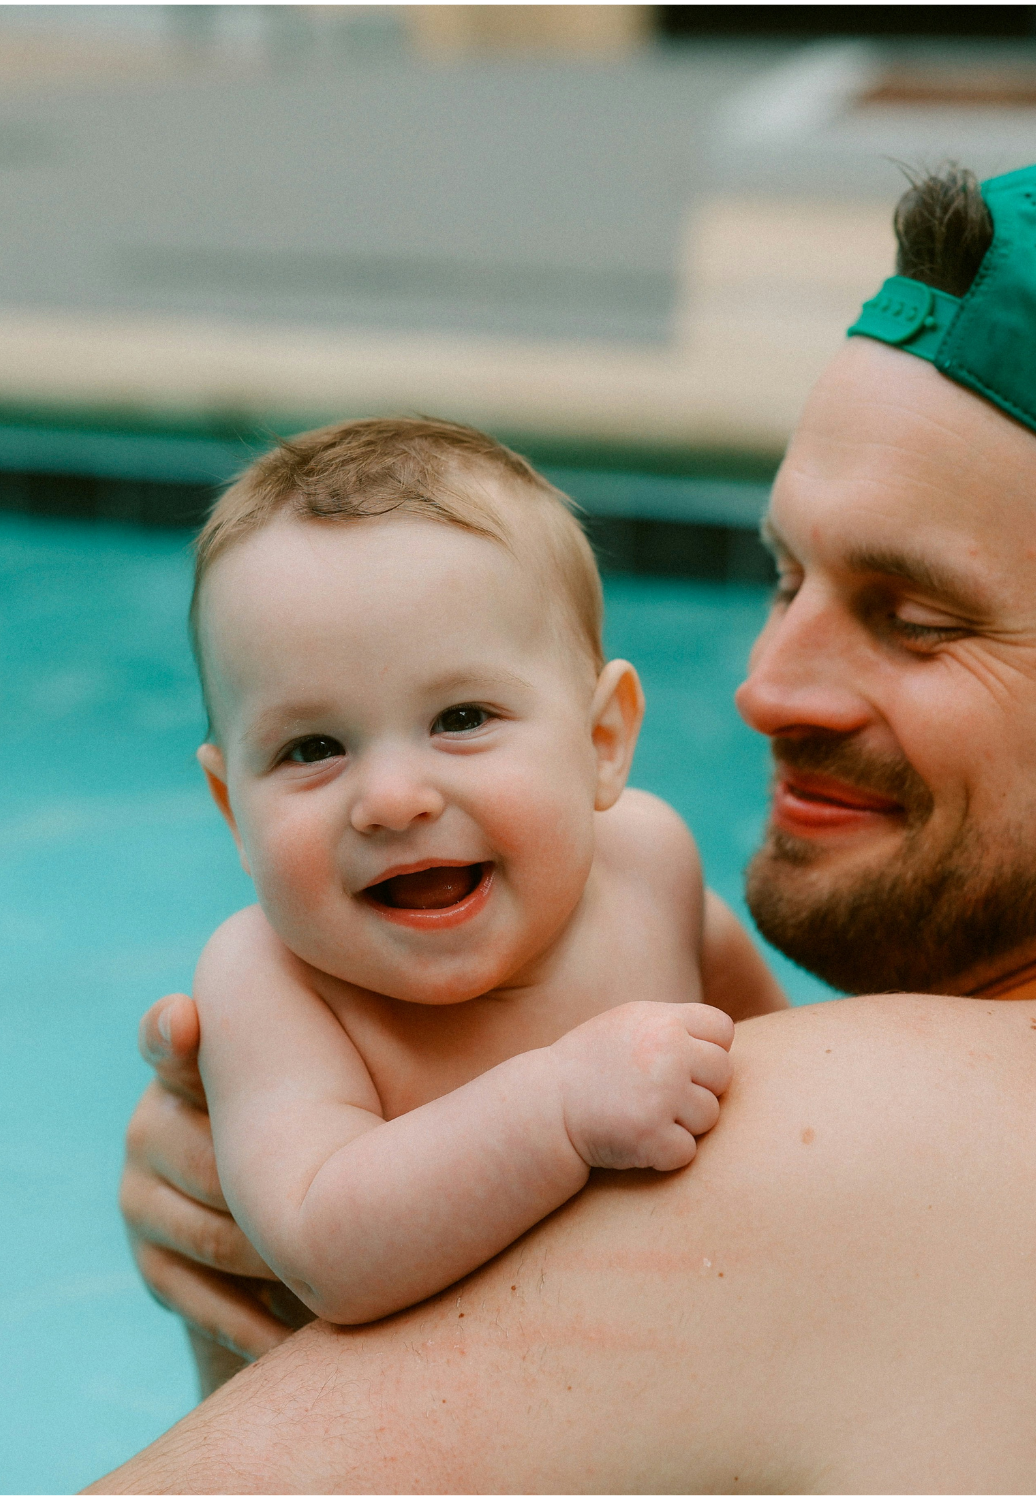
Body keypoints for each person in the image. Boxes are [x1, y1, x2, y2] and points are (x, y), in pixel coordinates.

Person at [98, 160, 1036, 1491]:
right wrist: (263, 1265)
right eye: (785, 579)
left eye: (916, 619)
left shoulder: (858, 1160)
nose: (766, 687)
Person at [179, 417, 786, 1328]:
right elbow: (323, 1251)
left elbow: (782, 1056)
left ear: (601, 742)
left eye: (461, 719)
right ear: (235, 810)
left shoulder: (648, 862)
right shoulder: (269, 983)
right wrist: (556, 1107)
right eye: (312, 747)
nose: (392, 800)